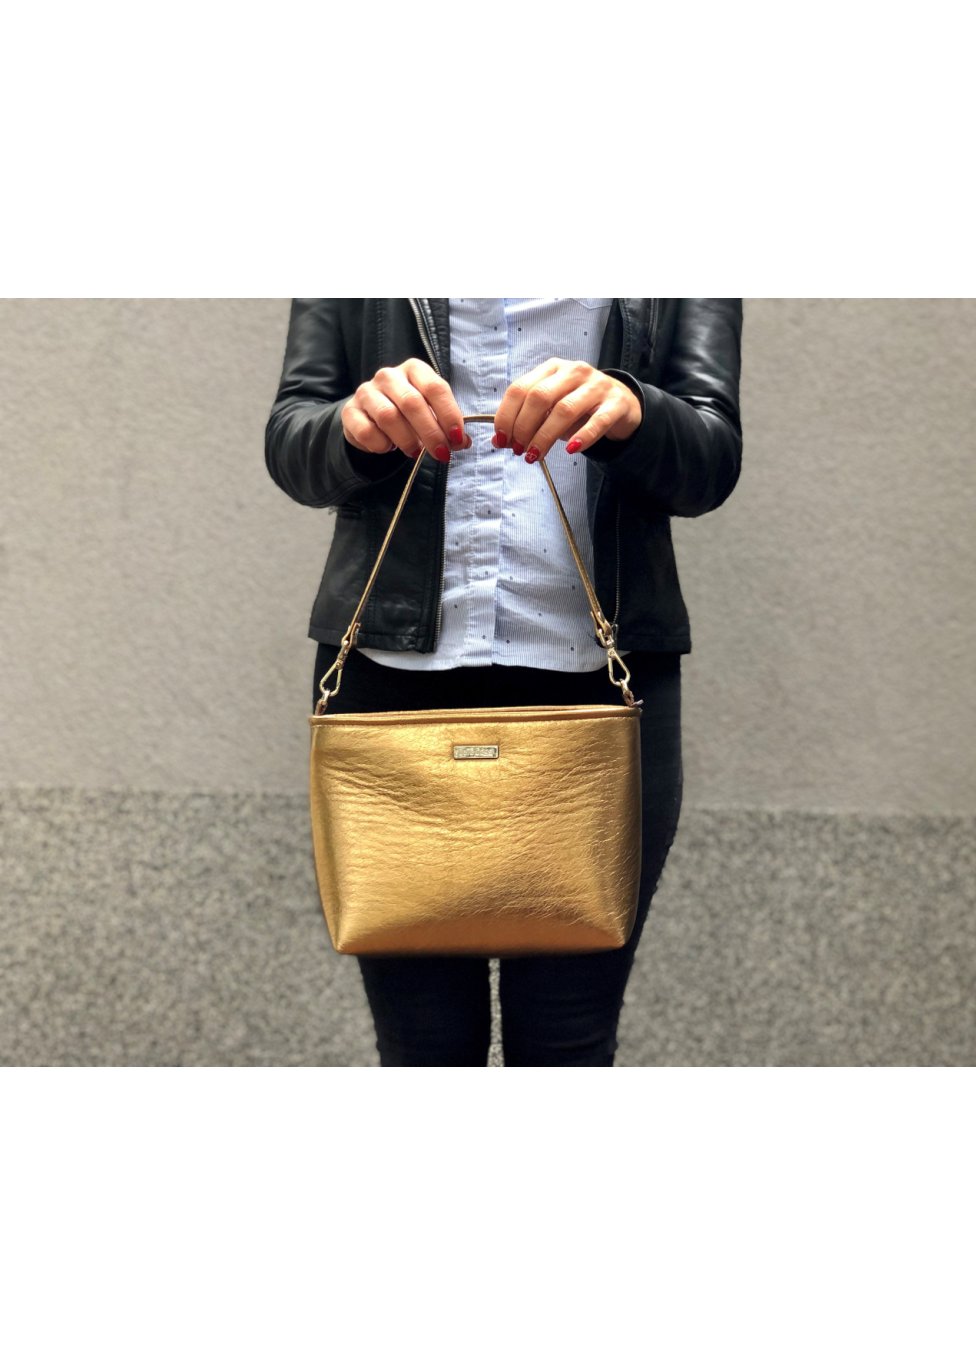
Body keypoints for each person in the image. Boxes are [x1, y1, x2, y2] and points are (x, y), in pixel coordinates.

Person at [265, 298, 743, 1066]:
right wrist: (353, 426)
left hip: (600, 690)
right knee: (422, 1049)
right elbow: (292, 440)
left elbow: (712, 461)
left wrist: (634, 411)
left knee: (567, 1044)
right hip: (389, 681)